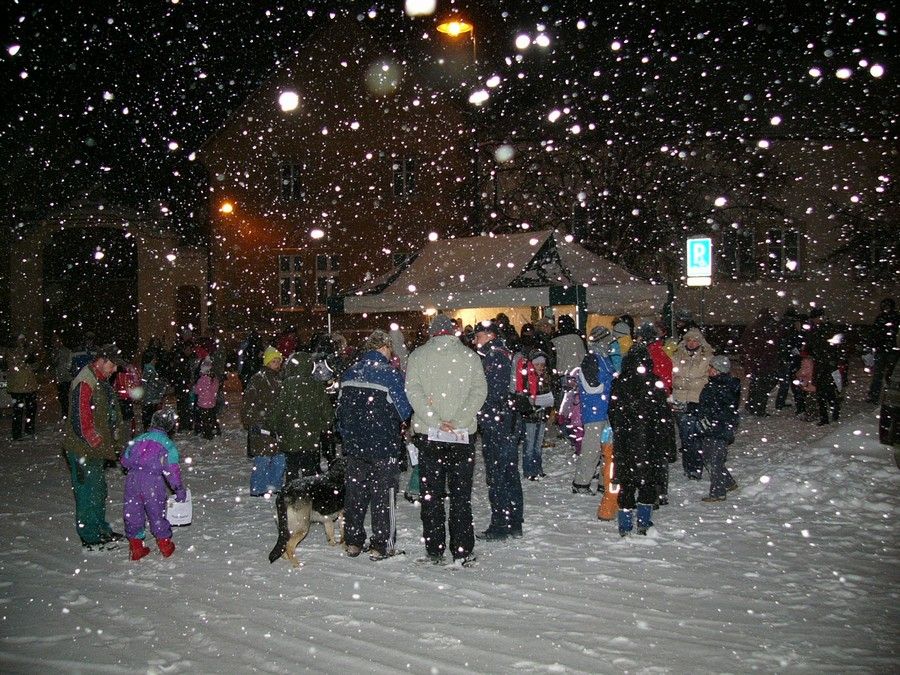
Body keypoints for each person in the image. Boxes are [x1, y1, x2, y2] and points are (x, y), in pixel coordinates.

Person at [405, 314, 487, 564]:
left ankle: (435, 548)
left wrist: (435, 420)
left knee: (432, 495)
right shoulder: (470, 357)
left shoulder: (418, 356)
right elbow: (479, 391)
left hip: (429, 435)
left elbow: (413, 391)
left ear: (432, 333)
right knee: (461, 495)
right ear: (453, 332)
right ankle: (462, 548)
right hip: (462, 435)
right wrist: (459, 420)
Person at [337, 330, 413, 559]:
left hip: (354, 445)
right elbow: (404, 410)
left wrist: (349, 433)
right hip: (382, 445)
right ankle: (381, 545)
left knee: (355, 494)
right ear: (384, 348)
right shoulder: (389, 374)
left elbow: (340, 410)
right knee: (383, 497)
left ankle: (353, 541)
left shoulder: (350, 372)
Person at [61, 345, 127, 549]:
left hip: (95, 450)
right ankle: (89, 535)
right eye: (113, 365)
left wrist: (114, 441)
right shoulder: (85, 381)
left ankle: (101, 529)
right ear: (102, 360)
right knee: (87, 493)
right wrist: (99, 443)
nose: (115, 370)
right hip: (83, 450)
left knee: (98, 490)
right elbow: (81, 423)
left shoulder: (101, 380)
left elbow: (108, 414)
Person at [608, 344, 675, 535]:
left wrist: (621, 429)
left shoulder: (620, 383)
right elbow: (664, 416)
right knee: (647, 483)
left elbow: (612, 412)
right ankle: (643, 522)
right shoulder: (654, 382)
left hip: (626, 442)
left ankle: (625, 524)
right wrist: (667, 444)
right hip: (650, 442)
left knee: (626, 485)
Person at [474, 321, 524, 541]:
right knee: (510, 472)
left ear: (489, 335)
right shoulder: (506, 353)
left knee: (497, 474)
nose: (475, 341)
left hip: (498, 422)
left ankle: (501, 523)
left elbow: (492, 392)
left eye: (478, 336)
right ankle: (514, 521)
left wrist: (481, 410)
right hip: (508, 419)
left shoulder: (494, 357)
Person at [120, 407, 187, 560]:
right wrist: (178, 489)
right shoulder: (167, 445)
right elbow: (172, 471)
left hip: (132, 480)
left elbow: (125, 460)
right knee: (156, 512)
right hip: (152, 482)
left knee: (133, 511)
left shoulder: (139, 438)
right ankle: (165, 545)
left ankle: (136, 547)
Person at [275, 350, 334, 483]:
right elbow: (327, 413)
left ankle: (292, 493)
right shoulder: (316, 386)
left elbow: (279, 410)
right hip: (310, 438)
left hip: (290, 437)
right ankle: (308, 492)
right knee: (309, 472)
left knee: (292, 471)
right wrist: (320, 427)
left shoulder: (287, 385)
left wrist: (276, 427)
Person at [572, 326, 616, 496]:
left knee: (607, 449)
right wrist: (610, 386)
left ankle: (605, 482)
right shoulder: (591, 360)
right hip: (594, 412)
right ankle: (581, 482)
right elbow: (591, 387)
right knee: (592, 450)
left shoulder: (604, 358)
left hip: (605, 411)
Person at [695, 355, 742, 502]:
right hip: (717, 426)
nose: (709, 369)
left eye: (711, 367)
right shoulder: (719, 385)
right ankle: (728, 482)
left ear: (717, 370)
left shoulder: (719, 387)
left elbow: (719, 408)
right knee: (710, 457)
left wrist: (709, 420)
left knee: (714, 459)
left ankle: (718, 492)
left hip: (718, 427)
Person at [672, 327, 714, 480]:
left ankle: (695, 467)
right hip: (680, 399)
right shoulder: (676, 356)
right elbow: (671, 375)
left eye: (695, 340)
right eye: (689, 340)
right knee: (685, 435)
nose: (691, 343)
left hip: (698, 400)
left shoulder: (707, 357)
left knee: (695, 435)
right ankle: (690, 466)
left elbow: (710, 378)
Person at [242, 346, 284, 495]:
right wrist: (252, 421)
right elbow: (249, 402)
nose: (277, 364)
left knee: (279, 458)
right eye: (274, 361)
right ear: (267, 362)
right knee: (263, 458)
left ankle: (274, 485)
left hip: (277, 425)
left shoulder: (280, 379)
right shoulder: (258, 379)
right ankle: (258, 487)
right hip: (262, 425)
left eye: (278, 361)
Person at [516, 349, 552, 481]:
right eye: (537, 364)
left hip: (542, 415)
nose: (540, 367)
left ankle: (538, 468)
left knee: (538, 445)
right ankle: (529, 470)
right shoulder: (528, 377)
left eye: (542, 364)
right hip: (530, 416)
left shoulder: (546, 377)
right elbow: (525, 394)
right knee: (530, 445)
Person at [741, 308, 781, 416]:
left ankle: (751, 406)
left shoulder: (753, 328)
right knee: (762, 388)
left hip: (754, 363)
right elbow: (771, 348)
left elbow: (745, 345)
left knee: (755, 386)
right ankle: (759, 409)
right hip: (764, 364)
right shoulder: (768, 329)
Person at [807, 308, 843, 426]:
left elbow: (830, 347)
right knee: (824, 391)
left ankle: (830, 414)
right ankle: (828, 414)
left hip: (826, 364)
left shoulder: (824, 329)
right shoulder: (821, 329)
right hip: (823, 363)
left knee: (825, 391)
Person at [867, 298, 900, 403]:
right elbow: (875, 333)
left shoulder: (889, 318)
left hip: (888, 350)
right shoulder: (887, 317)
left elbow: (875, 333)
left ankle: (880, 396)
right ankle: (880, 396)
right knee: (883, 375)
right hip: (886, 350)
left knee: (884, 375)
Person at [7, 335, 39, 440]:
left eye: (23, 340)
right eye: (20, 340)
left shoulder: (29, 352)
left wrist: (32, 363)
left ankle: (29, 429)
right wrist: (25, 363)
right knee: (18, 411)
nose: (22, 342)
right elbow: (14, 367)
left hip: (30, 386)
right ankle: (17, 434)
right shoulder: (12, 353)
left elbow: (36, 366)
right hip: (17, 387)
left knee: (31, 409)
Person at [140, 348, 168, 431]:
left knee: (149, 417)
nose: (156, 360)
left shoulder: (149, 368)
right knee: (150, 418)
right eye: (154, 358)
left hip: (150, 397)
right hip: (150, 398)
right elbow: (147, 383)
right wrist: (161, 385)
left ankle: (148, 430)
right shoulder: (149, 369)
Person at [193, 357, 220, 440]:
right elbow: (216, 389)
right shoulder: (214, 380)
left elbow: (197, 391)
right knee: (212, 418)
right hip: (212, 403)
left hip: (203, 403)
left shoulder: (202, 380)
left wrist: (195, 387)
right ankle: (216, 430)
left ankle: (208, 434)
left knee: (205, 420)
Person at [51, 333, 73, 420]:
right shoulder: (54, 351)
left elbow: (69, 363)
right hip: (59, 378)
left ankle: (66, 414)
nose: (56, 343)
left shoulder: (66, 351)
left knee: (65, 397)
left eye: (57, 340)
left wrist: (68, 369)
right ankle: (65, 413)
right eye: (54, 341)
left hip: (66, 377)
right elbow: (53, 364)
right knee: (61, 397)